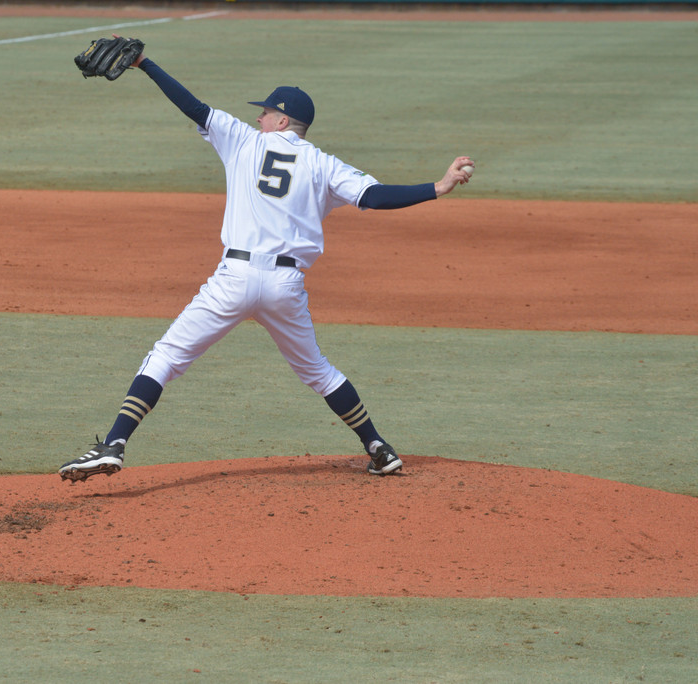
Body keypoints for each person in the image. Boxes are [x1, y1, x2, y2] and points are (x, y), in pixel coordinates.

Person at [59, 44, 473, 483]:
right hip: (285, 286)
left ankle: (114, 444)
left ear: (282, 121)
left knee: (166, 356)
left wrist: (145, 64)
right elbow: (376, 197)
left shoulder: (243, 140)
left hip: (234, 279)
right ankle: (378, 448)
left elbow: (192, 106)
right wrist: (438, 186)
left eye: (265, 112)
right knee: (318, 371)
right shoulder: (324, 164)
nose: (257, 118)